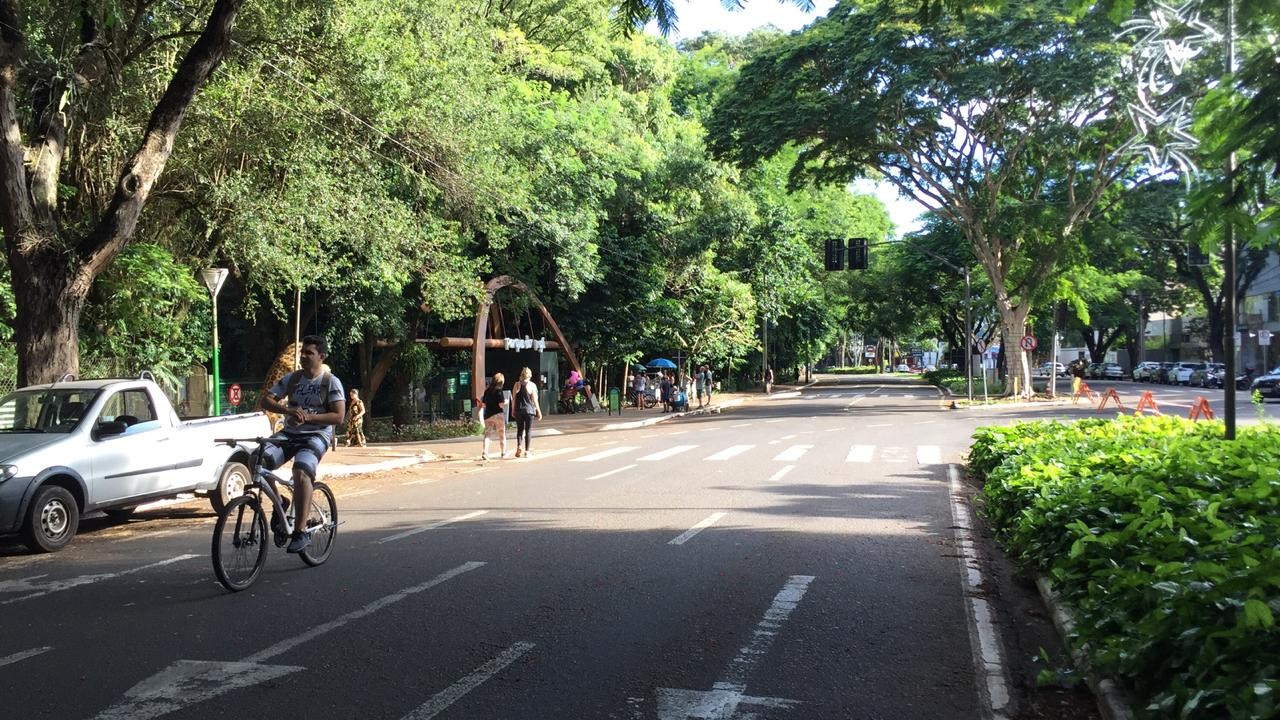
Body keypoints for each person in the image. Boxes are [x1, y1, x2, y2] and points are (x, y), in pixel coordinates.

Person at [260, 335, 346, 554]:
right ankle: (279, 501)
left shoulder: (330, 382)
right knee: (257, 460)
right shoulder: (293, 379)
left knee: (301, 472)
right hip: (289, 434)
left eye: (309, 353)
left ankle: (300, 532)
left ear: (321, 356)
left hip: (316, 435)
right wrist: (287, 410)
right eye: (302, 353)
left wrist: (309, 417)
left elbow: (338, 416)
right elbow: (266, 400)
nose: (304, 357)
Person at [512, 367, 542, 458]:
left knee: (520, 429)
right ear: (530, 375)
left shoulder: (517, 384)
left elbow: (514, 399)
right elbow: (535, 400)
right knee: (528, 430)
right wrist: (539, 412)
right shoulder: (532, 385)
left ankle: (519, 446)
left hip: (518, 410)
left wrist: (513, 410)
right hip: (529, 410)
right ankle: (527, 451)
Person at [478, 372, 508, 460]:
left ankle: (485, 452)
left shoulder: (487, 391)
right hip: (498, 414)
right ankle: (503, 453)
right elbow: (501, 405)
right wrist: (506, 402)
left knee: (487, 434)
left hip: (488, 415)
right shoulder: (499, 391)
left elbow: (483, 404)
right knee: (501, 434)